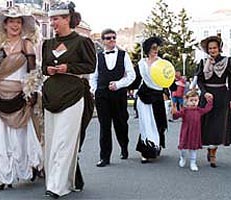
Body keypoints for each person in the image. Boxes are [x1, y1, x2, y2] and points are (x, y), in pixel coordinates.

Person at [0, 6, 43, 191]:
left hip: (20, 98)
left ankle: (27, 168)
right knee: (0, 138)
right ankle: (5, 176)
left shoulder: (26, 44)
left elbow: (33, 73)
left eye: (19, 22)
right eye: (12, 21)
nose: (15, 25)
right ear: (5, 25)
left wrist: (31, 92)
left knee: (21, 137)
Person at [41, 1, 96, 198]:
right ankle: (57, 179)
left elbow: (90, 66)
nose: (52, 23)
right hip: (50, 96)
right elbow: (42, 67)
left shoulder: (82, 42)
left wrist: (69, 68)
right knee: (51, 142)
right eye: (51, 19)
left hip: (73, 95)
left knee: (64, 141)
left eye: (55, 19)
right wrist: (47, 69)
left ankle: (57, 186)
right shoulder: (47, 44)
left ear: (67, 19)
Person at [90, 28, 136, 167]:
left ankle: (124, 146)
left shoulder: (123, 55)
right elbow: (93, 76)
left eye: (114, 38)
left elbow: (131, 75)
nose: (112, 40)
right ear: (103, 41)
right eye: (108, 38)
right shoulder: (98, 56)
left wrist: (119, 84)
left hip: (119, 94)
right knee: (104, 126)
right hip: (102, 95)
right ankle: (104, 157)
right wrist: (95, 90)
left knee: (121, 123)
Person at [196, 35, 231, 168]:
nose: (212, 50)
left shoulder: (227, 61)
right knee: (207, 125)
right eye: (210, 48)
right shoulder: (203, 62)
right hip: (207, 96)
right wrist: (204, 92)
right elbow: (200, 80)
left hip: (222, 97)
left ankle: (213, 153)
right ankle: (209, 148)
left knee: (219, 126)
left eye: (214, 48)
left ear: (219, 48)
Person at [135, 36, 169, 163]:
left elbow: (167, 80)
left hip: (158, 96)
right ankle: (145, 151)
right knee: (146, 124)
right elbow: (135, 79)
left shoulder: (162, 63)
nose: (156, 50)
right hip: (144, 96)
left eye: (157, 48)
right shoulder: (141, 64)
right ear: (148, 49)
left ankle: (156, 145)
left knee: (158, 122)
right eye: (153, 48)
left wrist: (168, 92)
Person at [172, 90, 213, 171]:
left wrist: (210, 102)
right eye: (191, 100)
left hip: (195, 133)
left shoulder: (199, 110)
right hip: (186, 132)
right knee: (183, 148)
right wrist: (174, 112)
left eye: (196, 100)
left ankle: (193, 162)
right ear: (186, 101)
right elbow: (176, 116)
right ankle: (183, 158)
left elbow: (207, 109)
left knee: (193, 148)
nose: (194, 102)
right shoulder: (185, 110)